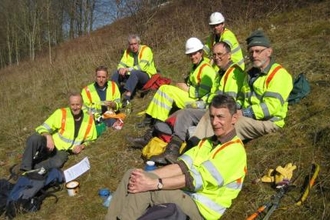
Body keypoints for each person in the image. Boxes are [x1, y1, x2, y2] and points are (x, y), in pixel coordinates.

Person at [105, 94, 247, 220]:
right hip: (188, 194)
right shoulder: (207, 142)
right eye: (212, 116)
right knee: (134, 175)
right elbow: (180, 166)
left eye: (220, 117)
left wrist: (155, 183)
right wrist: (147, 175)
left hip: (202, 209)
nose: (215, 122)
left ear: (234, 118)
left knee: (146, 189)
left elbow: (193, 181)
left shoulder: (234, 151)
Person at [132, 42, 246, 165]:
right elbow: (215, 95)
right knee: (179, 112)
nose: (217, 57)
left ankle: (173, 150)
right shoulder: (220, 72)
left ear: (229, 55)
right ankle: (159, 138)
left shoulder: (231, 72)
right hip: (210, 105)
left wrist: (201, 103)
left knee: (183, 113)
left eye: (220, 54)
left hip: (217, 109)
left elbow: (227, 101)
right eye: (214, 55)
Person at [192, 30, 293, 142]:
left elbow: (271, 107)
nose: (254, 55)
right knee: (215, 113)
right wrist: (231, 109)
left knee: (230, 124)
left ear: (269, 52)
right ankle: (194, 146)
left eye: (258, 51)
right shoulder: (249, 74)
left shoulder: (279, 74)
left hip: (269, 121)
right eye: (251, 52)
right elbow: (241, 98)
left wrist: (244, 112)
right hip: (248, 116)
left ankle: (213, 150)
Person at [137, 37, 217, 127]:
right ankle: (150, 118)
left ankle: (157, 124)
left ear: (201, 52)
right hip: (193, 97)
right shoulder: (197, 66)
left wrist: (186, 88)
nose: (192, 57)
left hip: (199, 103)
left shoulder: (206, 69)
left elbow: (201, 93)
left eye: (194, 54)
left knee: (167, 91)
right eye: (190, 55)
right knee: (163, 87)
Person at [20, 93, 97, 172]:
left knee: (58, 163)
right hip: (50, 143)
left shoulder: (89, 120)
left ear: (82, 104)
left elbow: (91, 139)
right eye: (72, 104)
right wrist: (48, 136)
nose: (75, 107)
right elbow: (43, 127)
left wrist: (81, 146)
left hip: (63, 151)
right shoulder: (61, 113)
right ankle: (24, 167)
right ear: (69, 104)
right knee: (34, 138)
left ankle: (33, 169)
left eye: (77, 105)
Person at [111, 34, 157, 105]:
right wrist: (120, 69)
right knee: (116, 73)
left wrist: (127, 69)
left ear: (139, 43)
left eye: (135, 44)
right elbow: (121, 64)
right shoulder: (127, 52)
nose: (133, 46)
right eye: (131, 44)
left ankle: (127, 98)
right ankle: (114, 95)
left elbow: (142, 67)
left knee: (135, 72)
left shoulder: (146, 50)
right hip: (132, 76)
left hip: (147, 76)